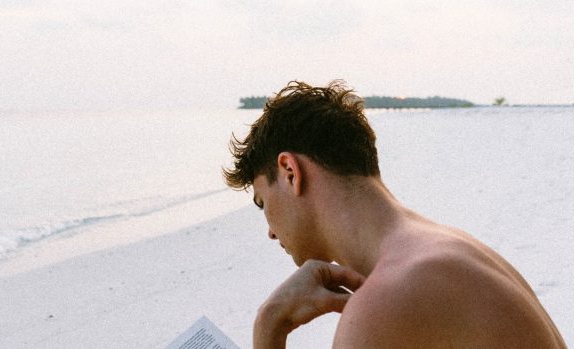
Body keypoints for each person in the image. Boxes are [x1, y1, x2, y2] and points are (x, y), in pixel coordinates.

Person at [223, 80, 565, 348]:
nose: (269, 230)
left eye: (262, 202)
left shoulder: (388, 299)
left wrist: (269, 327)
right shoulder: (446, 250)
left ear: (290, 172)